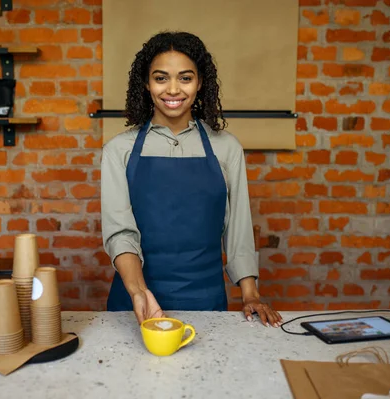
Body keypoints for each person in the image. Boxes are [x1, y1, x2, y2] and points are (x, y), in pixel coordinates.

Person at [101, 31, 283, 328]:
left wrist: (250, 294)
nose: (173, 89)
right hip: (133, 304)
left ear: (200, 83)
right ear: (146, 84)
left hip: (207, 303)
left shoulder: (226, 147)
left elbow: (238, 229)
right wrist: (139, 292)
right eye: (161, 78)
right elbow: (120, 234)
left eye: (185, 78)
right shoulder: (118, 151)